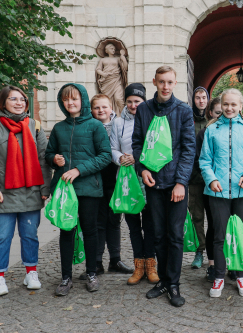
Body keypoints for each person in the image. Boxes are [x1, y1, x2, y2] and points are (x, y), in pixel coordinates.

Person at [0, 86, 51, 296]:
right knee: (2, 237)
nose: (19, 103)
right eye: (13, 99)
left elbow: (43, 159)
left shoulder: (35, 126)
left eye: (22, 100)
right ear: (3, 103)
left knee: (30, 235)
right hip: (2, 193)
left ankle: (31, 273)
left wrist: (45, 187)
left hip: (31, 191)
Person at [132, 66, 196, 307]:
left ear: (175, 83)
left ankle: (173, 283)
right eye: (161, 82)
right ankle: (164, 281)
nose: (165, 86)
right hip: (153, 181)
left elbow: (189, 149)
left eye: (169, 82)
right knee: (157, 234)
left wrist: (181, 182)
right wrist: (143, 169)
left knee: (175, 235)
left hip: (175, 183)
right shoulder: (144, 109)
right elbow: (137, 142)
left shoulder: (184, 111)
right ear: (154, 82)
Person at [45, 83, 112, 296]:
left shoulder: (95, 126)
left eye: (74, 98)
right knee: (66, 231)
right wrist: (54, 159)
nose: (70, 102)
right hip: (65, 190)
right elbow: (49, 154)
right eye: (66, 99)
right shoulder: (58, 128)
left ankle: (92, 272)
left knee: (90, 231)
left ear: (82, 100)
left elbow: (105, 156)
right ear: (61, 103)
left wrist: (78, 170)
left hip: (88, 188)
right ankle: (66, 277)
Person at [199, 89, 243, 298]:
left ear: (240, 106)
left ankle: (240, 274)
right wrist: (212, 179)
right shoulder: (211, 129)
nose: (229, 108)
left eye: (233, 105)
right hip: (217, 192)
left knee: (242, 235)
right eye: (226, 104)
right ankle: (219, 276)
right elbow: (204, 160)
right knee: (219, 236)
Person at [80, 94, 133, 280]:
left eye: (104, 107)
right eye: (97, 108)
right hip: (96, 180)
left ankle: (115, 259)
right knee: (98, 222)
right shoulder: (88, 126)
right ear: (92, 110)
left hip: (116, 178)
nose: (101, 111)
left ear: (111, 108)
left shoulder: (119, 124)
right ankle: (96, 262)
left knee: (114, 220)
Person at [110, 83, 159, 285]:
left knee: (150, 224)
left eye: (137, 101)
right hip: (127, 179)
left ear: (144, 101)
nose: (133, 105)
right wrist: (121, 158)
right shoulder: (118, 123)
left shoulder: (152, 119)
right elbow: (112, 148)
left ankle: (151, 265)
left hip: (147, 177)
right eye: (129, 101)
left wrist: (138, 159)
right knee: (132, 226)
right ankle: (138, 266)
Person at [195, 97, 222, 282]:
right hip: (208, 185)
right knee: (213, 224)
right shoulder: (204, 133)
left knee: (227, 226)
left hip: (232, 187)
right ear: (211, 113)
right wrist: (211, 177)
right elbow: (199, 160)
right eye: (218, 112)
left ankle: (230, 262)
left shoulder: (239, 129)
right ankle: (212, 265)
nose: (222, 115)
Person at [189, 86, 210, 269]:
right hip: (193, 178)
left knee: (215, 217)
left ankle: (214, 251)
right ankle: (200, 250)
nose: (201, 100)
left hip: (211, 179)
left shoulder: (213, 121)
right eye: (198, 97)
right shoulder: (188, 120)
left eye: (204, 97)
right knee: (196, 216)